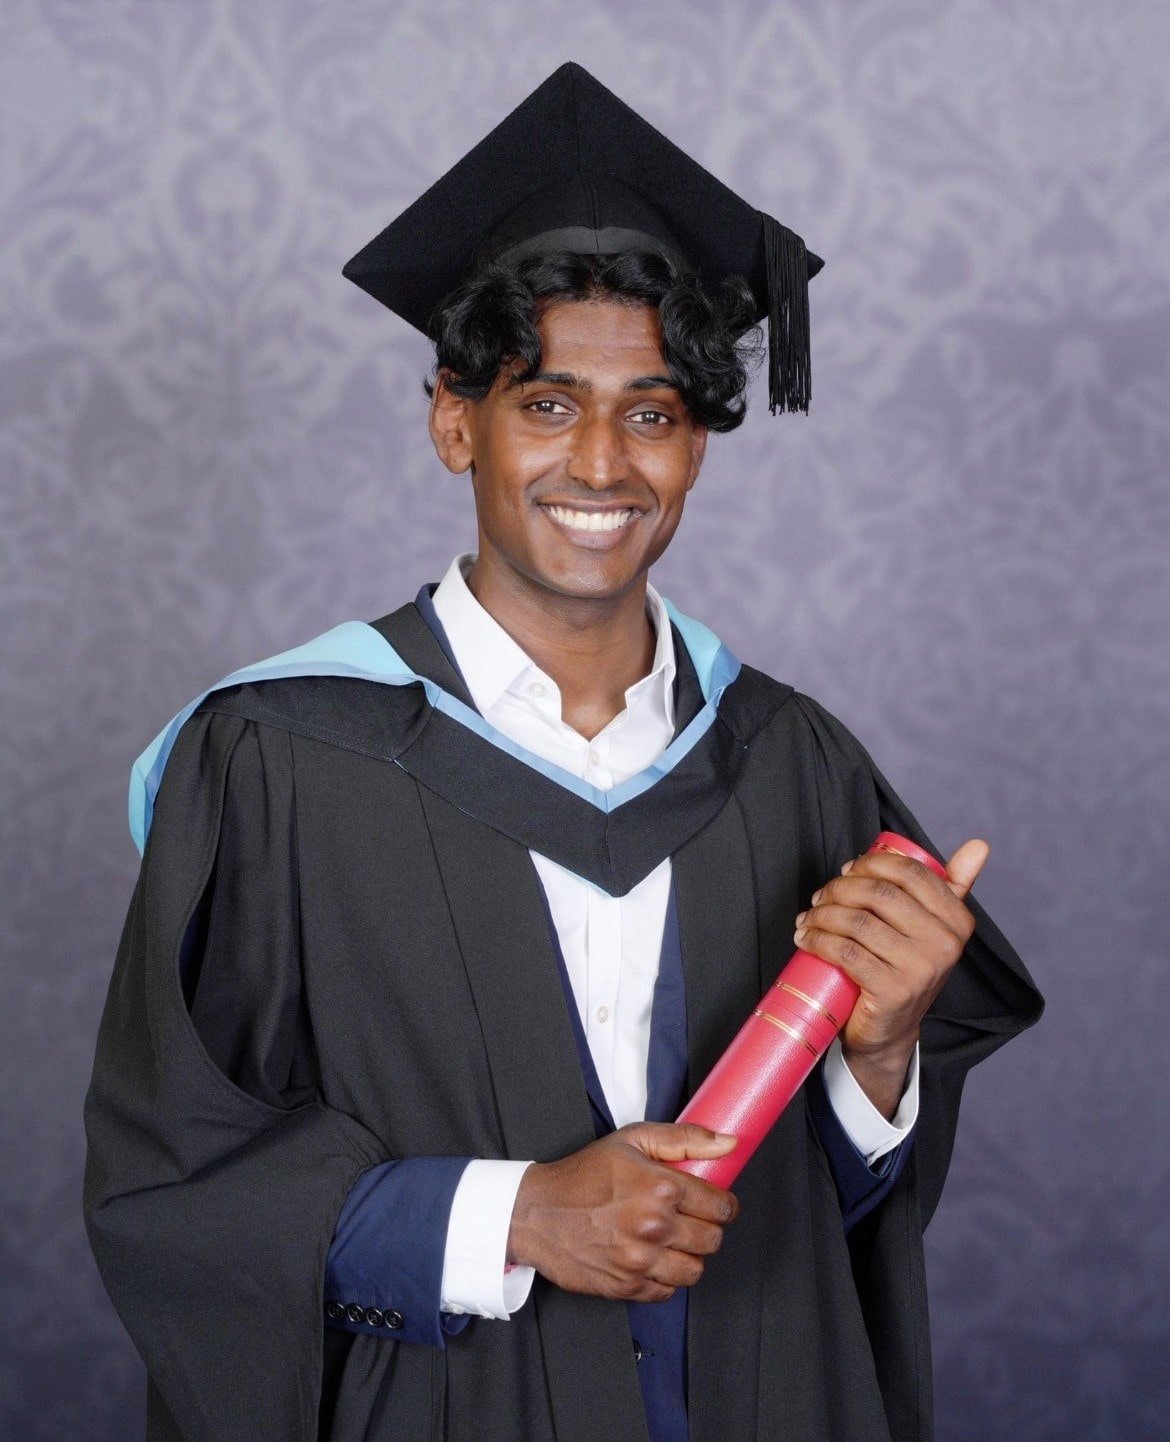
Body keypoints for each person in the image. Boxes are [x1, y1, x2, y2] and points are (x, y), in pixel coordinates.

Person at [82, 62, 1044, 1442]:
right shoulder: (280, 759)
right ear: (453, 421)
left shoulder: (790, 760)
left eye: (652, 412)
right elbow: (172, 1181)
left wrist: (882, 1054)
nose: (601, 461)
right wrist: (517, 1214)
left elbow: (848, 1214)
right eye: (544, 403)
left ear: (697, 446)